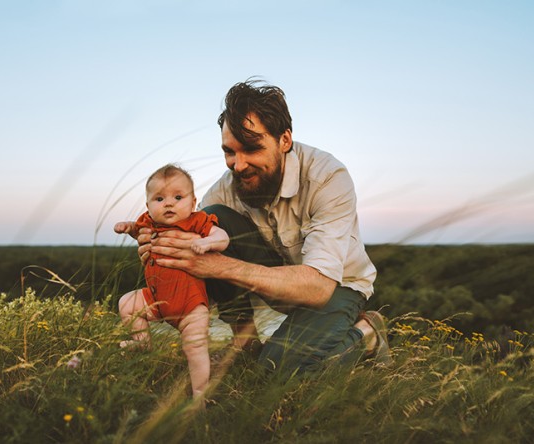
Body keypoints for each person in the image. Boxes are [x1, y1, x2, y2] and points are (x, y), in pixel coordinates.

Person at [136, 79, 392, 377]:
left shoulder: (327, 177)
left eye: (251, 148)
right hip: (276, 281)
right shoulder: (226, 189)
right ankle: (244, 343)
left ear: (284, 140)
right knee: (211, 217)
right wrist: (159, 245)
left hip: (335, 286)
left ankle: (366, 333)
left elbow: (319, 287)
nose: (238, 164)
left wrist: (218, 266)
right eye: (229, 152)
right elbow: (189, 249)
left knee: (277, 370)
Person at [114, 164, 229, 398]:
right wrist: (130, 228)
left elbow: (222, 237)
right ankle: (142, 343)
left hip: (191, 306)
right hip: (156, 300)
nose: (168, 203)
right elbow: (139, 230)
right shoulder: (148, 221)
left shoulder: (197, 221)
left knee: (195, 348)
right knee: (127, 303)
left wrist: (207, 243)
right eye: (159, 198)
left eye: (178, 197)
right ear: (148, 206)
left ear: (193, 200)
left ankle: (200, 396)